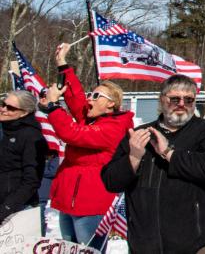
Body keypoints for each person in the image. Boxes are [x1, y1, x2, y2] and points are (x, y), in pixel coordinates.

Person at [102, 74, 205, 253]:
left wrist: (169, 153)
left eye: (189, 99)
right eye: (175, 98)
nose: (182, 104)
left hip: (200, 240)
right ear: (162, 99)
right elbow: (111, 181)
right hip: (146, 242)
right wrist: (134, 157)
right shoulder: (140, 134)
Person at [41, 42, 133, 246]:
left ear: (111, 103)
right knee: (68, 247)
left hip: (91, 203)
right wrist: (63, 64)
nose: (90, 99)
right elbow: (75, 97)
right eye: (91, 94)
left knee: (89, 250)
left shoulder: (114, 127)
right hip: (69, 200)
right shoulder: (91, 117)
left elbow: (72, 133)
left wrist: (52, 107)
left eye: (96, 96)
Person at [0, 90, 47, 228]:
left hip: (19, 209)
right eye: (3, 104)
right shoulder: (3, 129)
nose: (3, 109)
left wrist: (6, 208)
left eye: (11, 108)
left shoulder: (31, 136)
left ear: (25, 112)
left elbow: (31, 180)